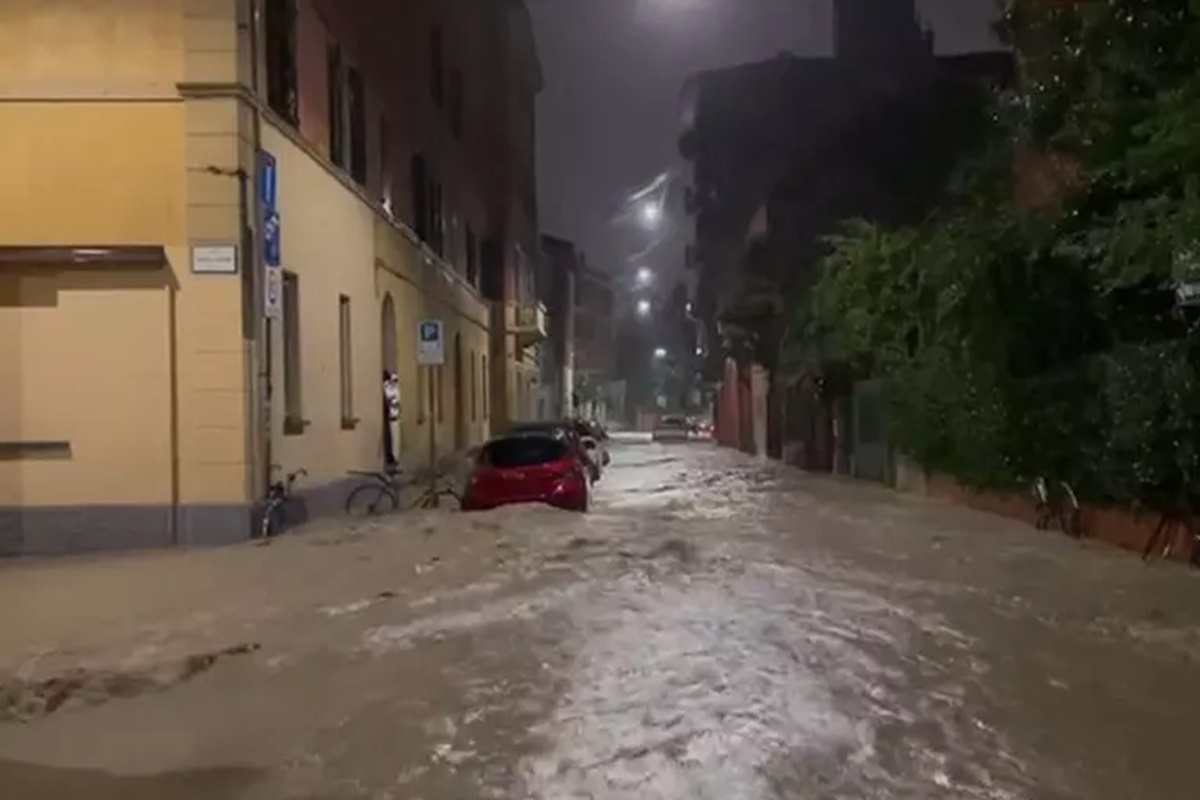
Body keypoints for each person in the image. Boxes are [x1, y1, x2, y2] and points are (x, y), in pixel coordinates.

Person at [383, 371, 401, 468]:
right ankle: (393, 459)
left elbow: (394, 402)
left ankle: (394, 459)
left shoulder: (391, 388)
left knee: (394, 440)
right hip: (392, 417)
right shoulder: (391, 387)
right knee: (394, 440)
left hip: (393, 417)